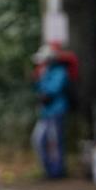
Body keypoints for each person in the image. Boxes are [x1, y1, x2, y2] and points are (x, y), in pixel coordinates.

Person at [31, 42, 70, 179]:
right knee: (38, 140)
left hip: (56, 111)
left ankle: (57, 172)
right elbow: (38, 90)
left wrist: (44, 93)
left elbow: (53, 90)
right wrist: (36, 79)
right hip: (45, 113)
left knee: (55, 142)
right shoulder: (44, 72)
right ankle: (47, 170)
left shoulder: (60, 72)